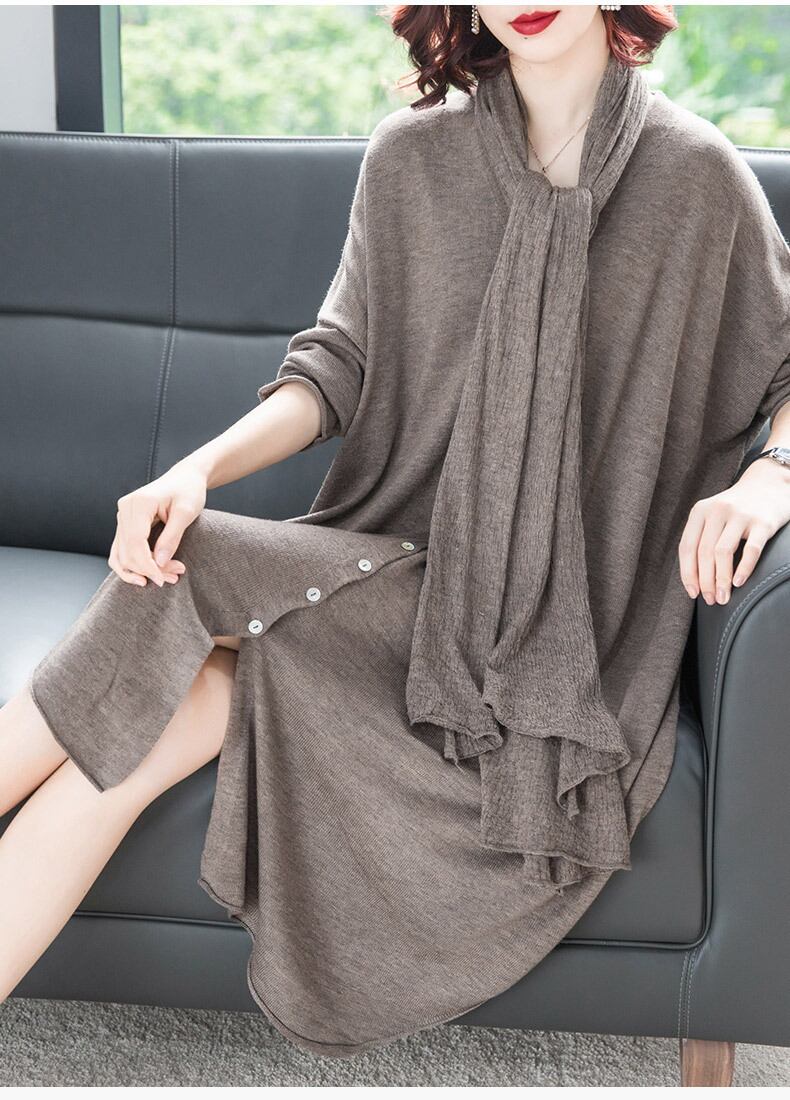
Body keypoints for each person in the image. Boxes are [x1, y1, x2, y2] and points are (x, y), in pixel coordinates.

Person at [1, 4, 789, 1061]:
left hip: (558, 635)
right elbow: (335, 365)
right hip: (395, 570)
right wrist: (196, 467)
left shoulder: (695, 178)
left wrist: (772, 478)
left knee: (191, 577)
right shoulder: (413, 159)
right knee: (167, 715)